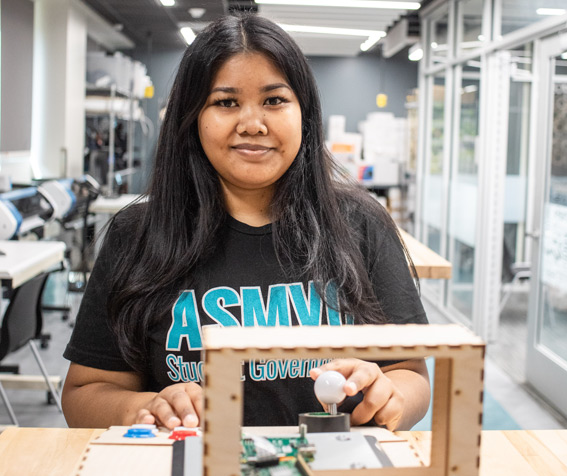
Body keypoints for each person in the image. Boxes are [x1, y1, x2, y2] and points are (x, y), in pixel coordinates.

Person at [62, 14, 430, 432]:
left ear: (304, 114)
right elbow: (84, 394)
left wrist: (390, 395)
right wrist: (146, 408)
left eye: (274, 101)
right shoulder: (138, 235)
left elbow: (410, 372)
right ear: (192, 118)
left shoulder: (361, 224)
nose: (252, 124)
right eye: (226, 102)